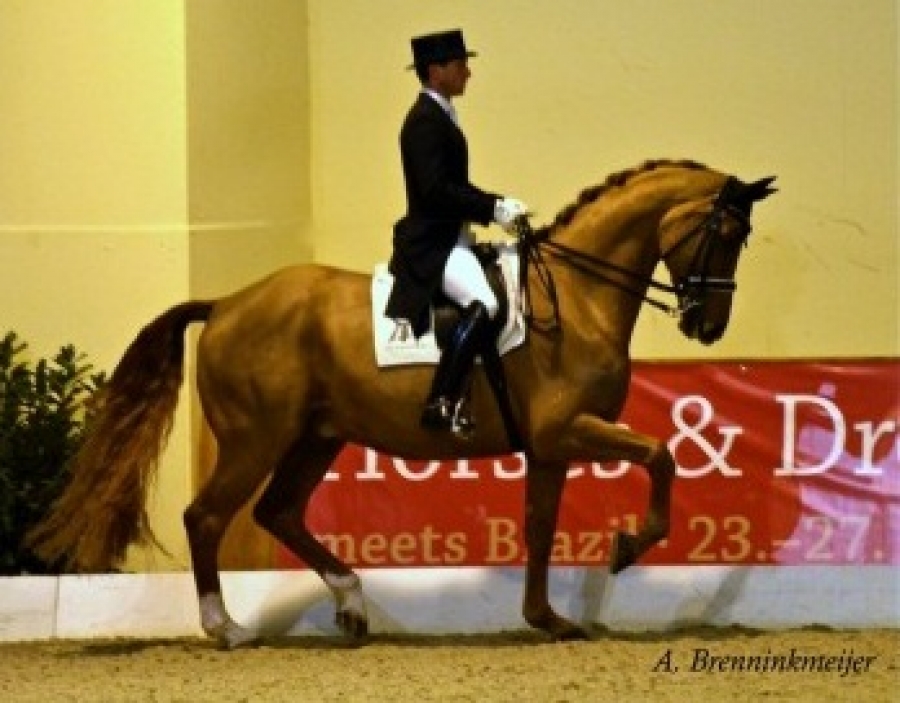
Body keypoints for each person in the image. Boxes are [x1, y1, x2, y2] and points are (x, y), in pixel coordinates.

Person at [384, 28, 528, 437]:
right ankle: (440, 400)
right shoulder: (424, 122)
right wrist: (492, 207)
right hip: (433, 242)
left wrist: (494, 206)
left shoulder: (442, 113)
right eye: (460, 64)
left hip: (453, 236)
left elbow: (453, 185)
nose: (468, 72)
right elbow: (434, 190)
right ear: (436, 71)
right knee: (486, 303)